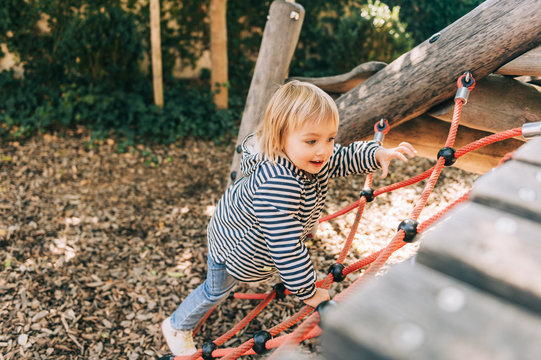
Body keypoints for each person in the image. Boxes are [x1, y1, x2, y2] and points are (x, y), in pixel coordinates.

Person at [161, 80, 417, 355]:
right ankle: (177, 325)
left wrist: (376, 153)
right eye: (312, 140)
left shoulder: (308, 156)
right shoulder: (278, 183)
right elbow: (285, 244)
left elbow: (342, 157)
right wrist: (307, 291)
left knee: (274, 256)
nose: (323, 149)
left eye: (329, 138)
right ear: (281, 137)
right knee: (215, 291)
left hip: (255, 241)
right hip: (231, 248)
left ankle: (285, 276)